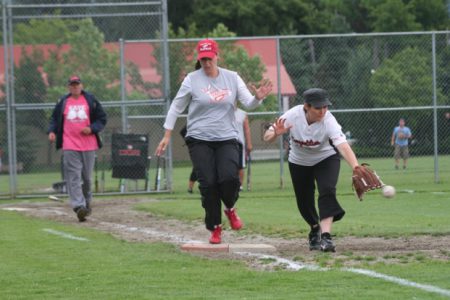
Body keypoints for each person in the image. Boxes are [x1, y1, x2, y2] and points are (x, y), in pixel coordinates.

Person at [155, 38, 272, 244]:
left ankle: (230, 208)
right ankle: (215, 227)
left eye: (209, 59)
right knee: (208, 184)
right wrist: (166, 135)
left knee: (228, 179)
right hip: (199, 139)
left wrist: (258, 97)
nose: (206, 63)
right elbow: (176, 107)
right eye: (203, 59)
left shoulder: (232, 77)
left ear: (218, 56)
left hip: (227, 138)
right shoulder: (192, 79)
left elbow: (248, 103)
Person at [263, 88, 361, 252]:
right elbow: (267, 136)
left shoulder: (329, 121)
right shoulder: (293, 115)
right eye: (318, 107)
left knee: (327, 190)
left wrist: (356, 167)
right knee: (304, 200)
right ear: (306, 106)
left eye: (325, 107)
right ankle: (315, 228)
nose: (323, 111)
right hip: (299, 162)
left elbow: (343, 146)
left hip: (326, 158)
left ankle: (326, 237)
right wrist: (275, 134)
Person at [48, 75, 107, 222]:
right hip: (69, 144)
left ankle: (86, 203)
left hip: (88, 144)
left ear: (81, 86)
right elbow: (54, 119)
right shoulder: (63, 102)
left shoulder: (90, 100)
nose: (74, 87)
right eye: (72, 85)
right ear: (69, 87)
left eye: (77, 84)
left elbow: (102, 118)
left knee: (86, 178)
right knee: (73, 176)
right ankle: (78, 206)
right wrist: (52, 131)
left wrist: (92, 128)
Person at [235, 107, 252, 190]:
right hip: (225, 142)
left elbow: (247, 130)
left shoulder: (242, 114)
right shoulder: (222, 112)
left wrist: (249, 144)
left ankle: (240, 186)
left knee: (240, 166)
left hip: (239, 143)